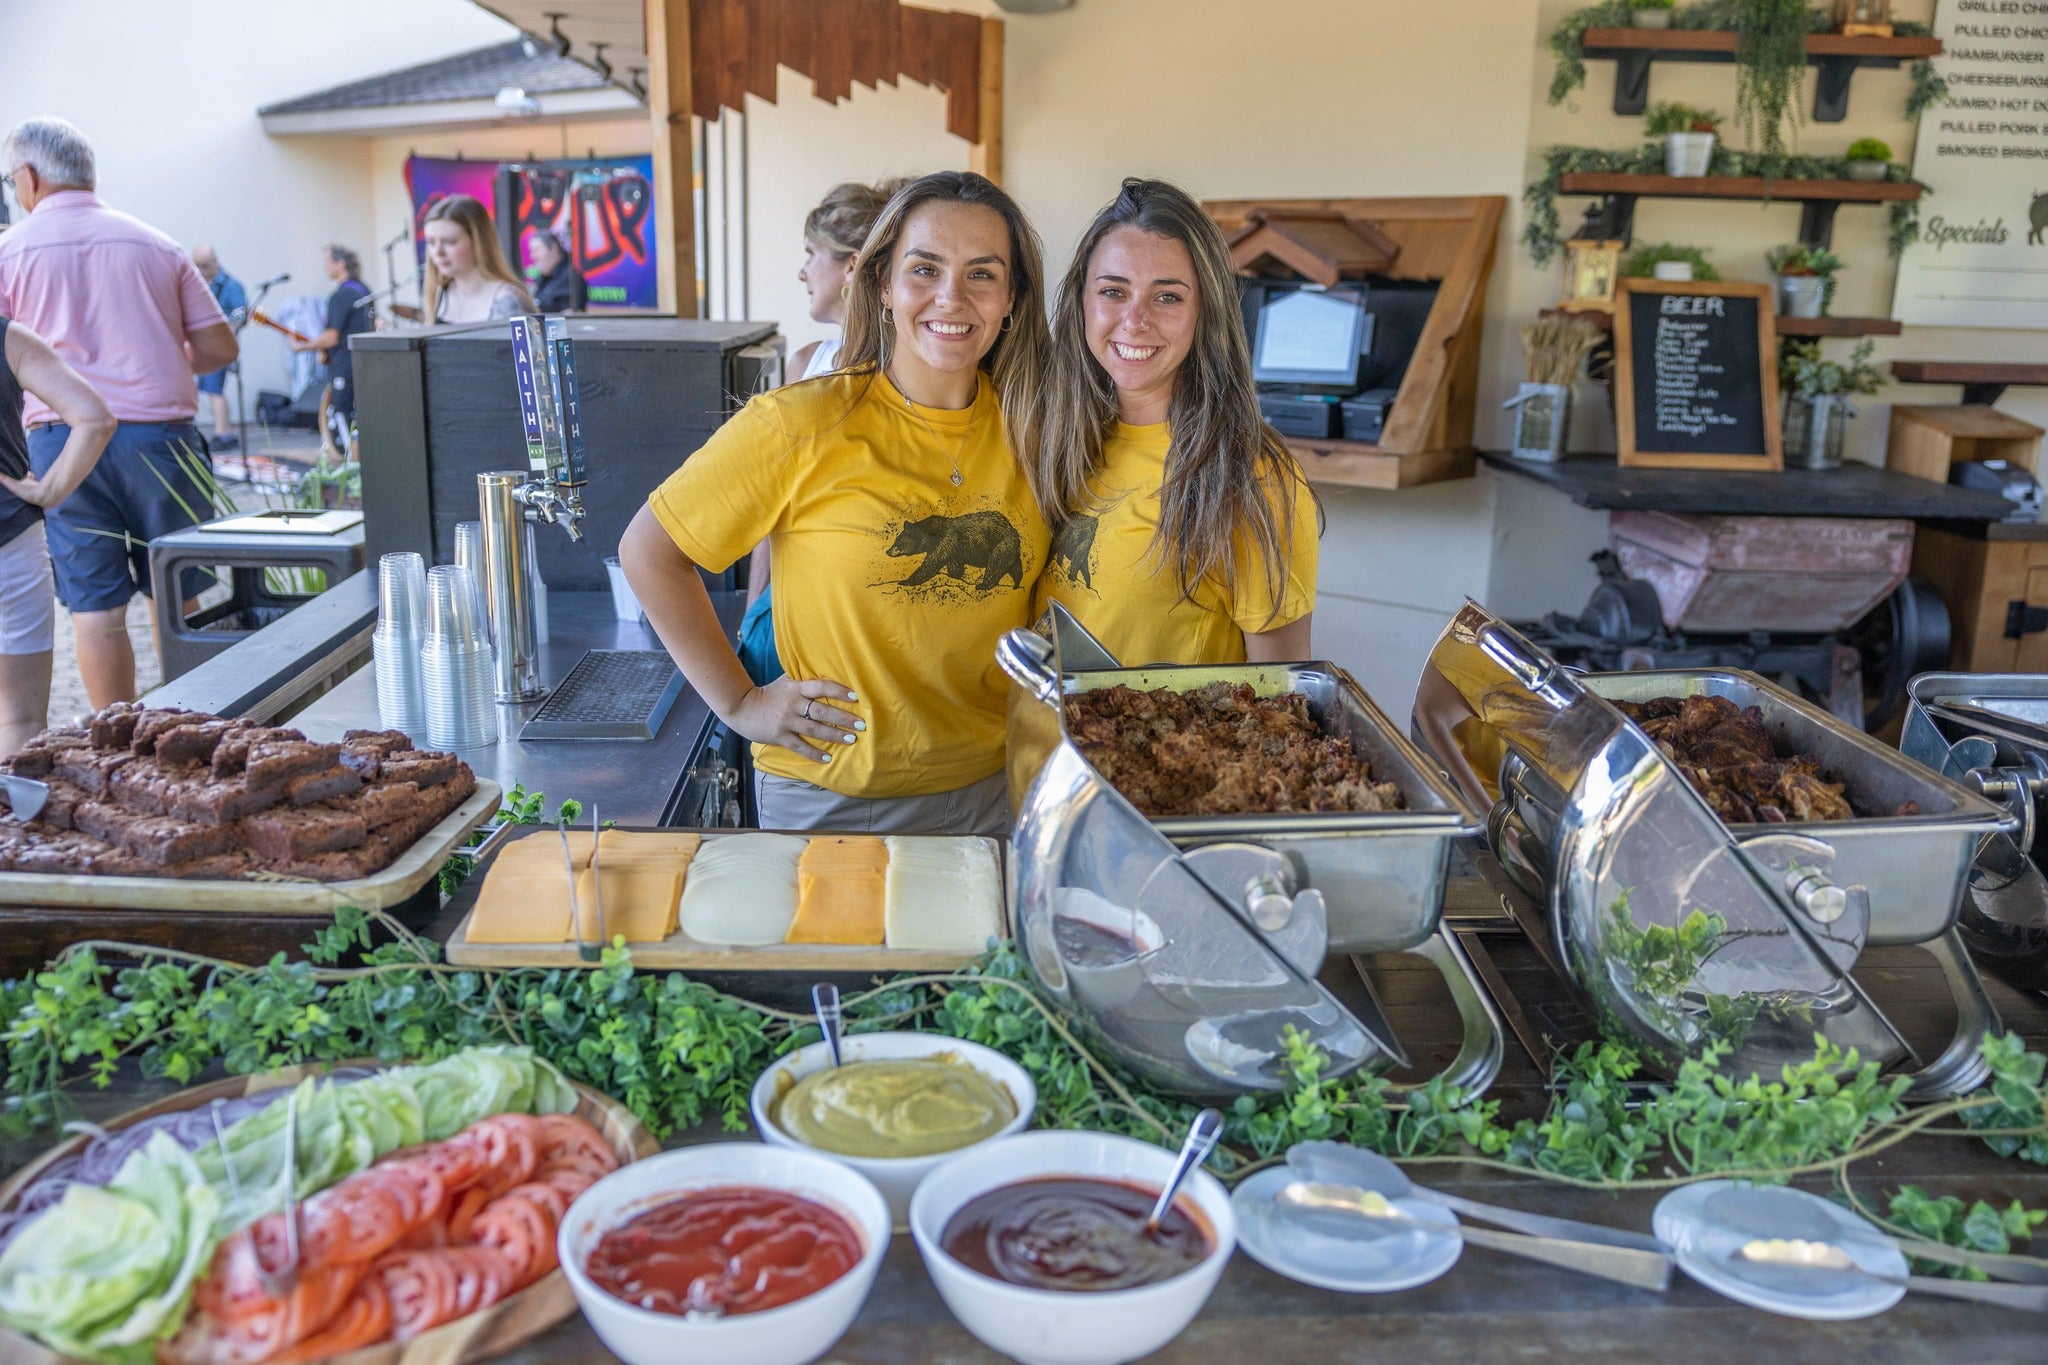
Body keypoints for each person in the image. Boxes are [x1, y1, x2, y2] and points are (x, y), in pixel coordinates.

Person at [621, 171, 1051, 835]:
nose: (951, 297)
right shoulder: (802, 422)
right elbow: (650, 551)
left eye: (982, 274)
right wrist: (740, 701)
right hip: (830, 795)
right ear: (880, 282)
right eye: (924, 268)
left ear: (1012, 297)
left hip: (995, 790)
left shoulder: (1037, 432)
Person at [1028, 177, 1319, 666]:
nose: (1135, 319)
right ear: (1082, 302)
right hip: (1041, 741)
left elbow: (1280, 692)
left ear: (1205, 311)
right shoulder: (1054, 438)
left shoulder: (1250, 475)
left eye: (1167, 297)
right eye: (1113, 291)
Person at [0, 116, 237, 708]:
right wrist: (158, 347)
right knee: (175, 591)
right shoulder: (157, 243)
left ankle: (119, 740)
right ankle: (194, 722)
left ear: (28, 178)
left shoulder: (8, 251)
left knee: (94, 606)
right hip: (164, 441)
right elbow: (219, 348)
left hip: (61, 443)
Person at [738, 177, 903, 688]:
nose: (802, 270)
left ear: (853, 265)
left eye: (813, 254)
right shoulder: (807, 363)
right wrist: (751, 616)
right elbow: (773, 510)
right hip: (787, 615)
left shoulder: (912, 372)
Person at [0, 316, 115, 755]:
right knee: (19, 716)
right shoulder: (9, 337)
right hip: (8, 538)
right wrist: (48, 491)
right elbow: (95, 418)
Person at [291, 244, 375, 443]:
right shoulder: (364, 290)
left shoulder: (341, 296)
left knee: (342, 412)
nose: (324, 267)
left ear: (340, 264)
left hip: (345, 364)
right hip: (365, 362)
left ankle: (349, 462)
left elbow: (332, 336)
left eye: (327, 262)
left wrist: (302, 347)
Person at [422, 196, 534, 324]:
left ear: (478, 242)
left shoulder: (508, 300)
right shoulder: (440, 293)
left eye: (449, 242)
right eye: (431, 242)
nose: (438, 252)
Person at [190, 244, 245, 451]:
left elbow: (240, 316)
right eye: (197, 265)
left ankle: (224, 433)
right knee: (207, 388)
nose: (201, 270)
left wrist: (221, 336)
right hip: (203, 346)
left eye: (205, 265)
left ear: (216, 262)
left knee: (215, 389)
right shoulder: (199, 284)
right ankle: (222, 430)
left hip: (220, 346)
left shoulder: (231, 286)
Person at [528, 229, 586, 313]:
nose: (532, 256)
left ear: (552, 248)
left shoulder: (571, 279)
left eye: (536, 250)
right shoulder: (543, 278)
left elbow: (571, 316)